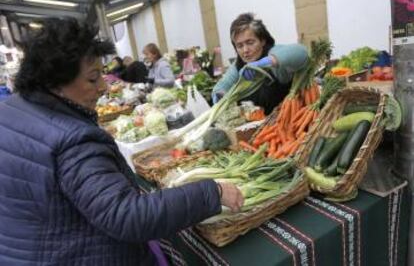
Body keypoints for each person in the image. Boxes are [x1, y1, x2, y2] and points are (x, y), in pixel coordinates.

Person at [0, 18, 244, 265]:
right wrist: (213, 192)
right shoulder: (73, 140)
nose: (104, 87)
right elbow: (126, 215)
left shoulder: (9, 110)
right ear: (55, 82)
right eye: (93, 78)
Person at [212, 13, 309, 115]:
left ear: (262, 40)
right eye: (239, 46)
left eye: (250, 42)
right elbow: (222, 86)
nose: (245, 50)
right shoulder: (238, 66)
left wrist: (263, 63)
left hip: (285, 123)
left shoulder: (273, 53)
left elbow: (301, 52)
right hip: (256, 127)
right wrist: (219, 94)